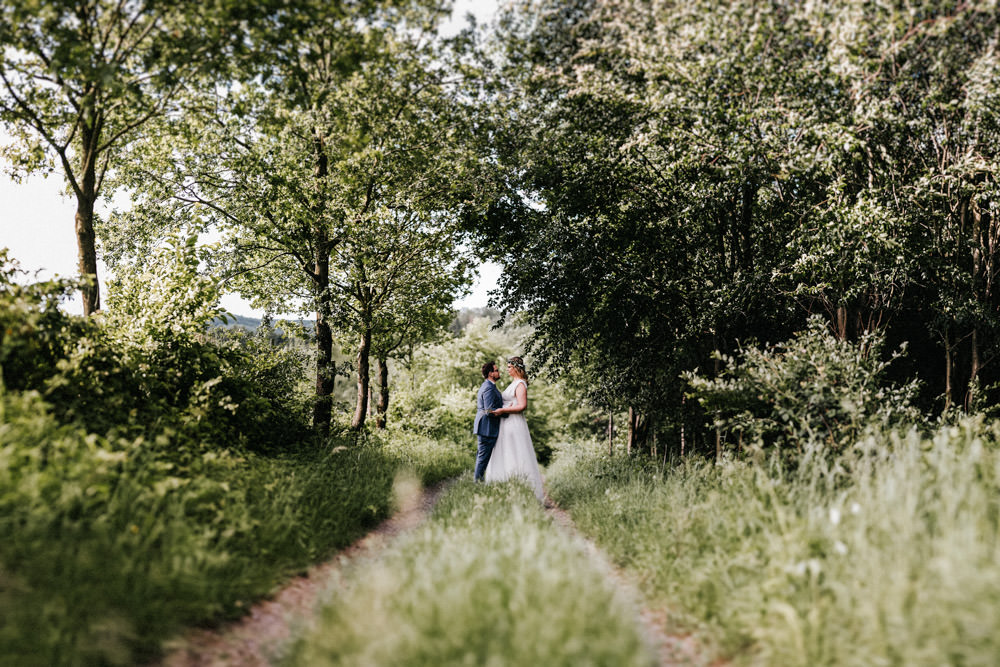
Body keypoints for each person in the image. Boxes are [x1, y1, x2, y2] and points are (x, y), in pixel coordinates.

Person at [484, 356, 544, 501]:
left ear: (516, 368)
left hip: (514, 423)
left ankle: (524, 492)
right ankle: (505, 491)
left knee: (515, 452)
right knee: (505, 453)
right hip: (505, 424)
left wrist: (503, 411)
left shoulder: (520, 384)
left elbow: (522, 406)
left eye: (509, 367)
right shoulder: (514, 383)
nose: (507, 369)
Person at [473, 361, 503, 482]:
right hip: (487, 427)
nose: (498, 372)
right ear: (490, 373)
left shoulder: (489, 386)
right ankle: (477, 484)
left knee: (482, 457)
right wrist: (505, 411)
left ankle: (478, 482)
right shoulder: (489, 388)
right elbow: (489, 410)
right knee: (482, 458)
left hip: (486, 426)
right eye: (496, 370)